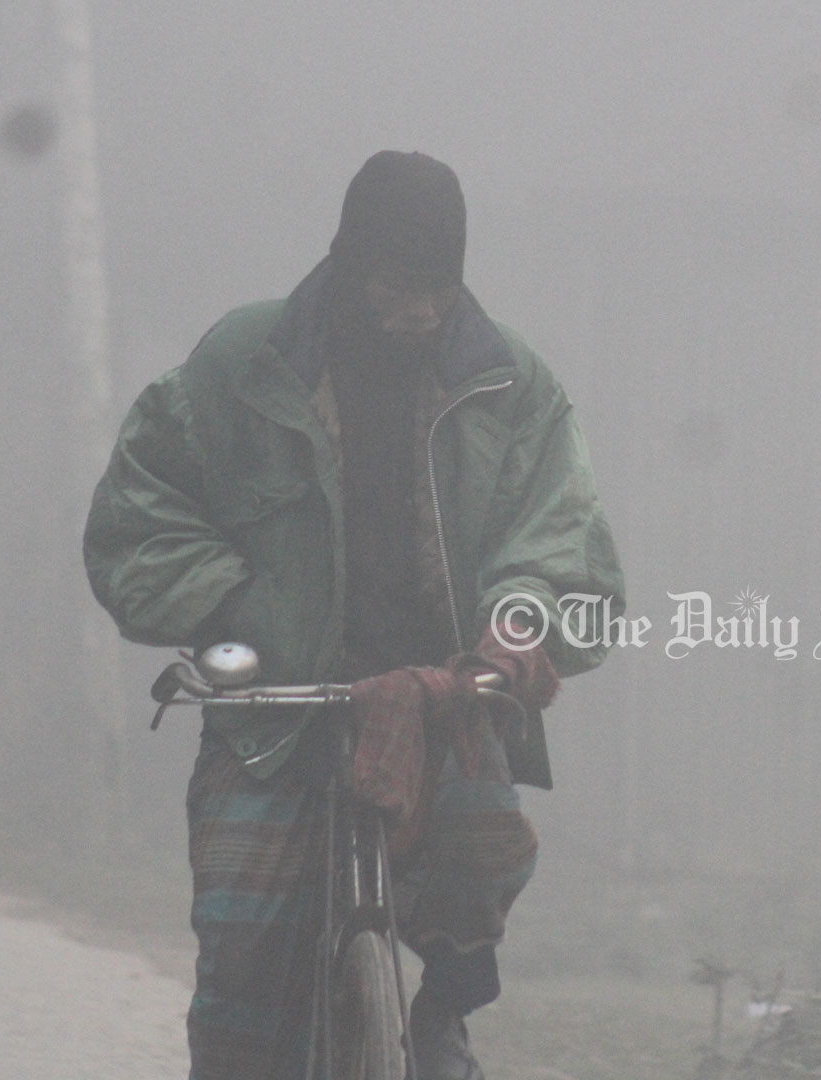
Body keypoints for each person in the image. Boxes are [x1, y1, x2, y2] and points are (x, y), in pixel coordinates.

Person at [83, 150, 625, 1080]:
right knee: (242, 971)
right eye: (398, 284)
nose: (420, 309)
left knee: (480, 865)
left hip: (445, 701)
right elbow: (140, 516)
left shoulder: (507, 383)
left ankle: (444, 1013)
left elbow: (560, 533)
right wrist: (229, 605)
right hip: (278, 709)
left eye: (440, 288)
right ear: (348, 264)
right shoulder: (239, 366)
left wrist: (518, 625)